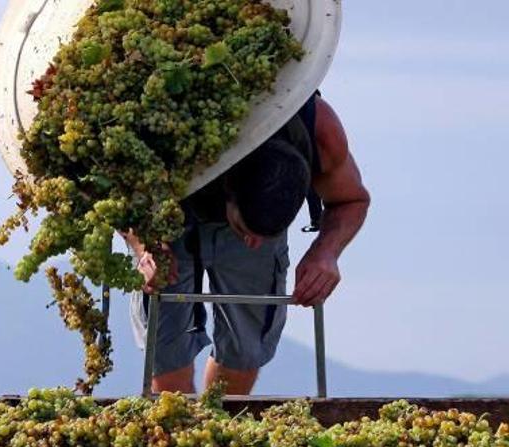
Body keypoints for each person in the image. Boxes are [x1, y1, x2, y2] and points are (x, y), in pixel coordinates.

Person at [124, 92, 371, 395]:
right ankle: (176, 430)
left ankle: (222, 428)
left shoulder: (318, 131)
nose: (253, 243)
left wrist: (325, 253)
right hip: (166, 206)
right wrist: (144, 247)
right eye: (246, 231)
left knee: (246, 344)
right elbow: (114, 193)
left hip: (255, 208)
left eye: (264, 236)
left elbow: (352, 199)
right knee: (164, 342)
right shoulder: (161, 131)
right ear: (228, 189)